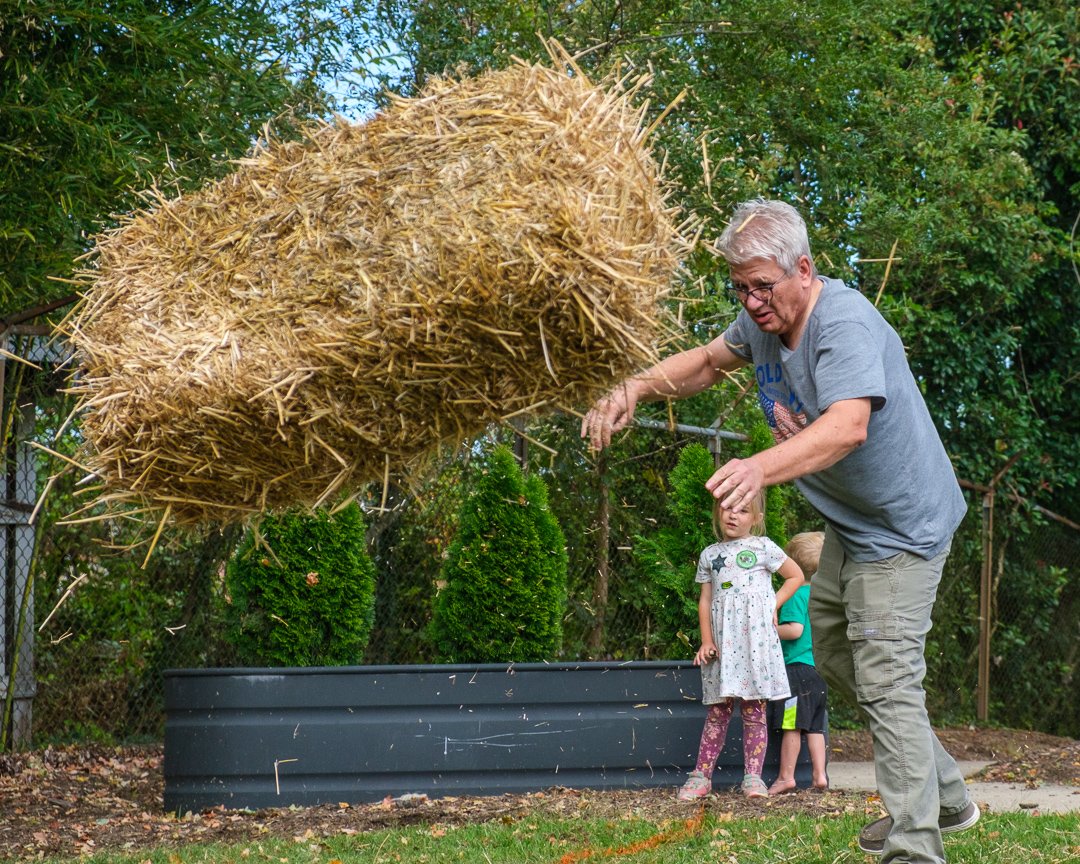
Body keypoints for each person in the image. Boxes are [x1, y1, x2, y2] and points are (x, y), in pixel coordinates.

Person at [582, 198, 978, 862]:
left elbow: (849, 425)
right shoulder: (763, 323)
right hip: (852, 527)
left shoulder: (842, 324)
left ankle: (915, 844)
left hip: (903, 530)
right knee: (838, 658)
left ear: (803, 268)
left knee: (885, 675)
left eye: (763, 286)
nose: (752, 302)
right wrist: (632, 389)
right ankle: (943, 796)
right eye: (740, 288)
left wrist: (758, 469)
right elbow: (708, 362)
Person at [677, 492, 805, 801]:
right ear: (718, 513)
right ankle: (701, 777)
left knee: (754, 711)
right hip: (724, 644)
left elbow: (796, 576)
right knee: (718, 711)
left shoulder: (764, 548)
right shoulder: (710, 555)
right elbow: (706, 600)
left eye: (743, 510)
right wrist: (707, 640)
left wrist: (771, 603)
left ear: (756, 518)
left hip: (755, 646)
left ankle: (753, 779)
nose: (734, 515)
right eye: (728, 508)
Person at [766, 531, 829, 795]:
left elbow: (794, 630)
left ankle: (786, 776)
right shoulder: (822, 595)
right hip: (819, 670)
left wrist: (767, 629)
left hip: (797, 672)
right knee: (815, 726)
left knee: (791, 723)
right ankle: (820, 775)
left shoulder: (796, 595)